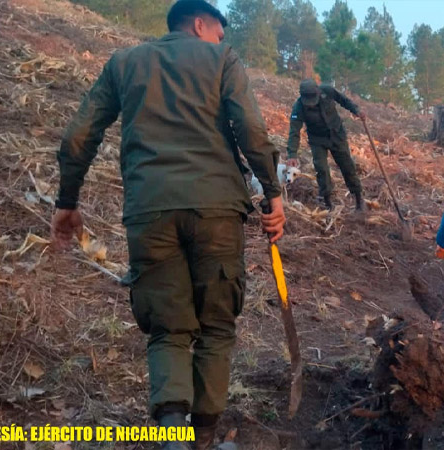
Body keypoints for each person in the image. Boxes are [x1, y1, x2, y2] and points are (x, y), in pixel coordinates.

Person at [50, 1, 285, 449]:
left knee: (169, 330)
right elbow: (251, 131)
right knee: (216, 326)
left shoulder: (124, 63)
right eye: (219, 30)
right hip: (216, 211)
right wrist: (273, 193)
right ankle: (205, 439)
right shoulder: (222, 60)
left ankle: (173, 438)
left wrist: (67, 202)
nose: (222, 38)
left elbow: (78, 136)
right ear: (199, 24)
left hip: (150, 213)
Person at [286, 79, 367, 211]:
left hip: (337, 135)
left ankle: (358, 199)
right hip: (317, 140)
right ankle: (327, 201)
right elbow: (294, 131)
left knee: (347, 167)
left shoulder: (328, 91)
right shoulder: (298, 107)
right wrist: (292, 154)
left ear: (318, 91)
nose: (311, 104)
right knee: (321, 169)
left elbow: (344, 100)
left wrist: (356, 110)